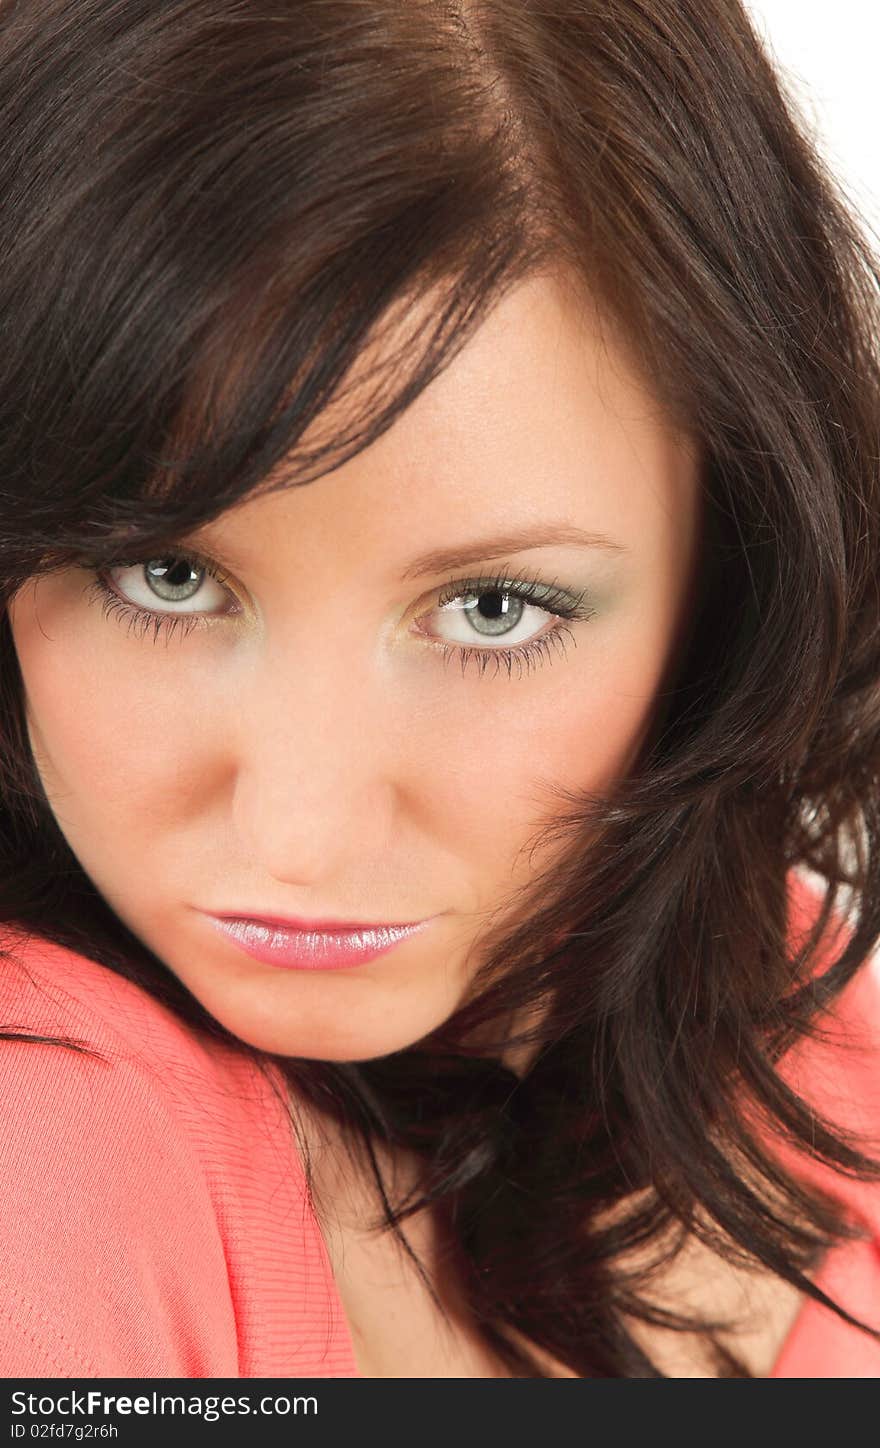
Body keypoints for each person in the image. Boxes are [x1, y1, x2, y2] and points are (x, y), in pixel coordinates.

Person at [1, 0, 879, 1379]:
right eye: (164, 578)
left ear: (729, 575)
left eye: (491, 610)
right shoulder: (45, 1158)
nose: (301, 833)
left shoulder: (826, 1030)